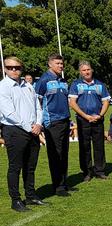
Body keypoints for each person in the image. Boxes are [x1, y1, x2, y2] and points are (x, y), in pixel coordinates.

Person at [0, 57, 47, 211]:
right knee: (15, 167)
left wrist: (39, 124)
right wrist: (30, 127)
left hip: (33, 129)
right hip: (14, 131)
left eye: (17, 67)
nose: (14, 70)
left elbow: (37, 106)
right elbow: (9, 113)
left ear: (22, 68)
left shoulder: (28, 85)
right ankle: (16, 200)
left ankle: (31, 195)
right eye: (10, 67)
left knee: (30, 166)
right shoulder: (3, 87)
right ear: (5, 69)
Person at [34, 54, 73, 196]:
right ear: (50, 64)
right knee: (55, 154)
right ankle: (58, 186)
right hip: (52, 122)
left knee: (64, 153)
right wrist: (41, 122)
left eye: (62, 63)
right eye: (57, 63)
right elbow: (36, 102)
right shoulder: (44, 80)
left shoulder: (63, 81)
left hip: (65, 120)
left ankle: (64, 182)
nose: (60, 66)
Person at [68, 61, 110, 181]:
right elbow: (72, 103)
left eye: (88, 69)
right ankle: (87, 172)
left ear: (92, 70)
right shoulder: (75, 84)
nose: (86, 72)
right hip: (82, 120)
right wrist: (86, 116)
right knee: (84, 147)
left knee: (99, 146)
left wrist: (100, 115)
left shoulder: (100, 84)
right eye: (83, 70)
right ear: (80, 72)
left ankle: (100, 171)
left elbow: (106, 101)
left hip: (98, 120)